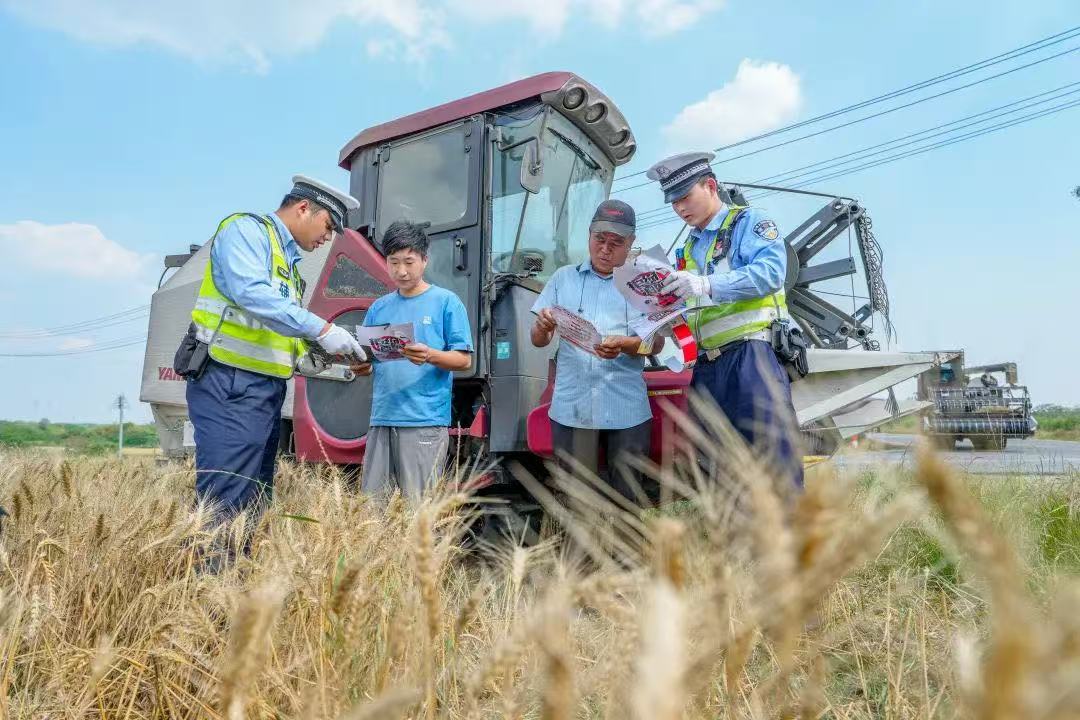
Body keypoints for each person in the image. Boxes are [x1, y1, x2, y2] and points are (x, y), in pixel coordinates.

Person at [185, 175, 368, 529]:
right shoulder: (246, 232)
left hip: (263, 391)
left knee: (253, 498)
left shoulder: (289, 264)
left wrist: (327, 358)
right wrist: (324, 329)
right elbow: (251, 294)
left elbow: (283, 336)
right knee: (226, 499)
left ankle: (237, 578)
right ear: (303, 208)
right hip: (228, 382)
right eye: (328, 226)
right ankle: (212, 583)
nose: (327, 238)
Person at [646, 152, 804, 488]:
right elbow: (694, 309)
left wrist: (705, 284)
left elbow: (772, 273)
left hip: (752, 358)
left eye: (685, 197)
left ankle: (786, 541)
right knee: (721, 472)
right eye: (673, 202)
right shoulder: (688, 248)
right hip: (706, 367)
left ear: (711, 186)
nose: (679, 208)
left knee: (773, 465)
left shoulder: (749, 222)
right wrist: (663, 317)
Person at [530, 200, 664, 504]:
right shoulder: (563, 279)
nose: (605, 249)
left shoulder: (642, 285)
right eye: (599, 240)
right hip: (571, 409)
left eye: (616, 243)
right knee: (577, 505)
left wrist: (626, 344)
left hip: (626, 411)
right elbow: (538, 340)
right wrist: (542, 325)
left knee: (628, 505)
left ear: (631, 244)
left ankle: (625, 554)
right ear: (589, 236)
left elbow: (656, 344)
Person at [352, 220, 473, 500]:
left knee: (419, 510)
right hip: (382, 418)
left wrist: (429, 355)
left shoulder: (446, 302)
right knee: (375, 508)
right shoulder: (378, 307)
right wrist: (361, 365)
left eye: (409, 261)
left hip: (423, 420)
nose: (401, 271)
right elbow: (371, 359)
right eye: (393, 262)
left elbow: (464, 360)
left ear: (424, 260)